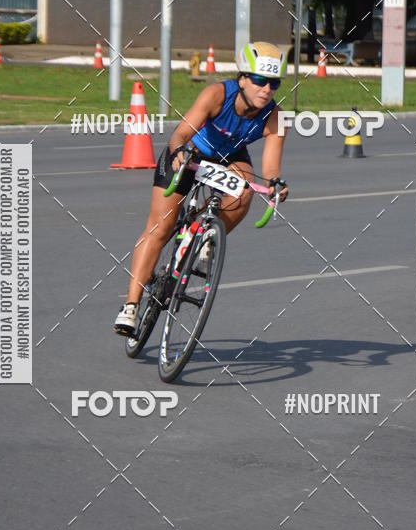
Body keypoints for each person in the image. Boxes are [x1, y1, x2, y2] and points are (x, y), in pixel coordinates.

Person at [114, 40, 289, 336]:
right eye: (260, 80)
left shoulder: (275, 116)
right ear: (243, 78)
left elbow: (271, 168)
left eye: (274, 83)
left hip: (230, 158)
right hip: (190, 151)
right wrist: (180, 150)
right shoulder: (217, 94)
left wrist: (274, 185)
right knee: (160, 228)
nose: (266, 89)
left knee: (245, 190)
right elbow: (180, 133)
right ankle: (131, 306)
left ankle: (208, 238)